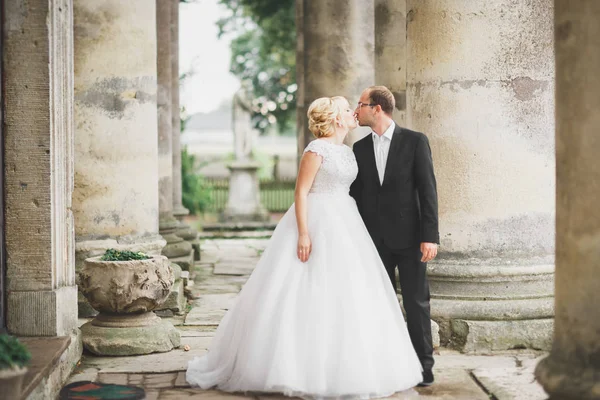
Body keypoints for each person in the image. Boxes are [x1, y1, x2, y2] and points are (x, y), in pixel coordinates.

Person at [187, 96, 423, 398]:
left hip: (346, 221)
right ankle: (296, 367)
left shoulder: (348, 151)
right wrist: (303, 233)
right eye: (345, 108)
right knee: (304, 286)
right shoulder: (316, 150)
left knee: (350, 289)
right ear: (336, 118)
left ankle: (348, 365)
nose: (352, 111)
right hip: (317, 218)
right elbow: (300, 192)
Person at [350, 86, 439, 387]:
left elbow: (428, 192)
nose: (356, 110)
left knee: (416, 304)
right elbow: (356, 195)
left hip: (412, 239)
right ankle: (386, 365)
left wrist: (430, 236)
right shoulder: (359, 148)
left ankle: (424, 367)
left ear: (376, 108)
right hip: (374, 241)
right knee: (379, 304)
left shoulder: (415, 141)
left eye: (360, 105)